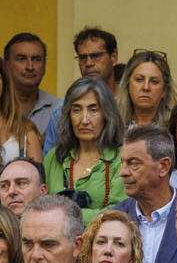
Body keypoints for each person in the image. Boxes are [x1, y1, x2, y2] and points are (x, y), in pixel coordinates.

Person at [42, 75, 126, 210]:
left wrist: (64, 216)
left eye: (93, 110)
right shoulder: (54, 156)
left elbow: (119, 212)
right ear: (68, 115)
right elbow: (41, 207)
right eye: (76, 110)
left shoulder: (122, 157)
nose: (84, 120)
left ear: (107, 114)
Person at [115, 124, 177, 263]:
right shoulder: (112, 219)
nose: (122, 172)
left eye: (134, 164)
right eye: (123, 163)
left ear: (163, 166)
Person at [39, 26, 122, 155]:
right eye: (83, 58)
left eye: (96, 56)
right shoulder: (63, 110)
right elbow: (51, 159)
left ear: (114, 57)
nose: (88, 63)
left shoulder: (129, 101)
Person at [3, 31, 60, 142]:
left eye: (36, 59)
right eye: (21, 59)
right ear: (6, 65)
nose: (30, 67)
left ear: (44, 66)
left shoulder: (59, 110)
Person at [116, 50, 176, 132]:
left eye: (154, 81)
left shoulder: (176, 129)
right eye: (139, 80)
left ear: (164, 90)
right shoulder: (111, 127)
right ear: (127, 85)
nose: (146, 87)